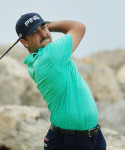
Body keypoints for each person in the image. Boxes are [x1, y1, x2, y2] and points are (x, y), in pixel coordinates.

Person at [15, 13, 107, 150]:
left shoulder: (37, 60)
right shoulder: (50, 55)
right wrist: (50, 25)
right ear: (24, 42)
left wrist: (40, 28)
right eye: (35, 32)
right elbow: (79, 27)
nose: (44, 34)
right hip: (73, 141)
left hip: (89, 136)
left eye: (43, 27)